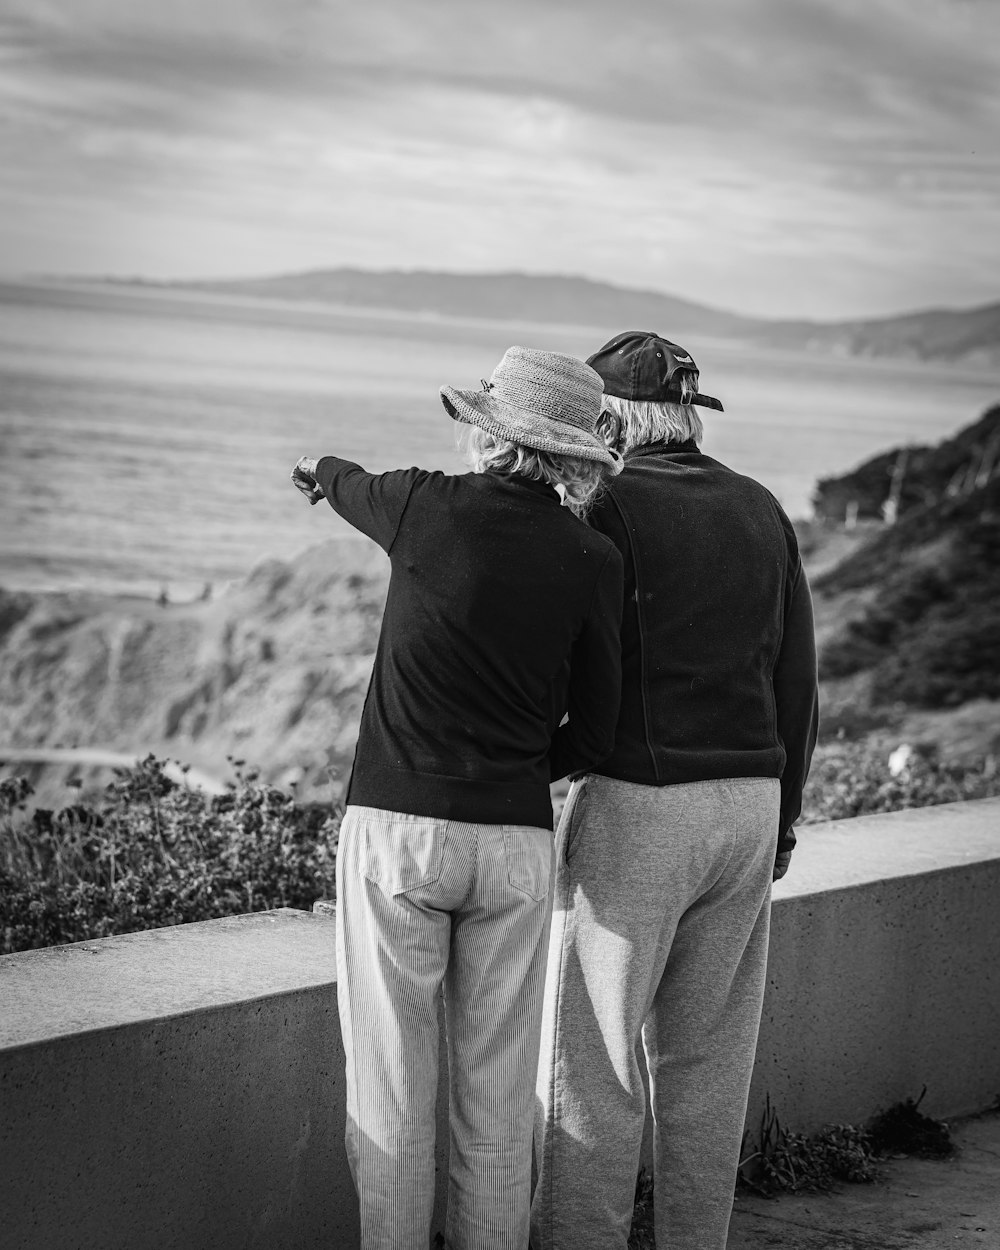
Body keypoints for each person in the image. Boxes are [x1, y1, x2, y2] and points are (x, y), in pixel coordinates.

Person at [290, 345, 624, 1250]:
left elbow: (344, 478)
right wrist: (516, 764)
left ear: (486, 432)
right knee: (498, 1092)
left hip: (396, 831)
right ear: (572, 455)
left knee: (393, 1087)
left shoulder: (420, 506)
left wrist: (318, 474)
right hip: (512, 841)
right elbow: (598, 728)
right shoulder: (593, 557)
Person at [531, 331, 819, 1250]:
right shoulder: (761, 507)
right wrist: (783, 826)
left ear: (608, 418)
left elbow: (568, 667)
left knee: (595, 1059)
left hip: (643, 802)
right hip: (749, 804)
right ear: (689, 412)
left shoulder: (604, 506)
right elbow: (798, 682)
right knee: (710, 1065)